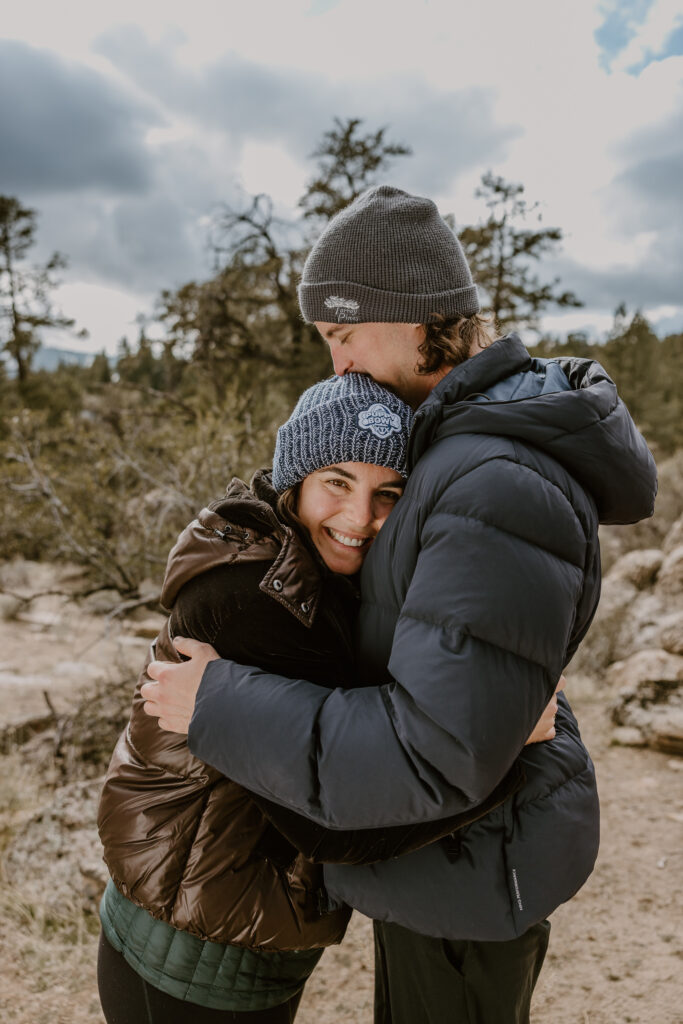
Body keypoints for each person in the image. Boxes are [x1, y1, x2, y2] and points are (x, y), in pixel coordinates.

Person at [141, 185, 658, 1024]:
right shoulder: (463, 450)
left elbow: (436, 753)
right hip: (446, 862)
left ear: (414, 320)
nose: (336, 362)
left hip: (469, 875)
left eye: (342, 334)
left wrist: (217, 703)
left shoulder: (491, 477)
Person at [97, 369, 563, 1024]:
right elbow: (336, 822)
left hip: (219, 921)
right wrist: (500, 744)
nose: (359, 517)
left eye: (387, 494)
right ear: (297, 480)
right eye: (337, 482)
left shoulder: (313, 574)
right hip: (197, 944)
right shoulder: (255, 600)